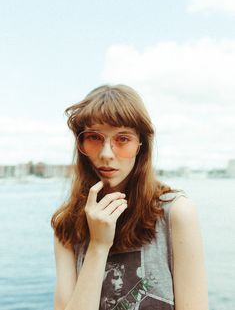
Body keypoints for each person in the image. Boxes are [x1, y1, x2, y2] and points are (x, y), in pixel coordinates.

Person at [51, 84, 209, 310]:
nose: (106, 154)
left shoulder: (175, 213)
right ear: (81, 143)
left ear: (141, 145)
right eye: (94, 137)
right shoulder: (66, 224)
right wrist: (98, 245)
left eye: (122, 139)